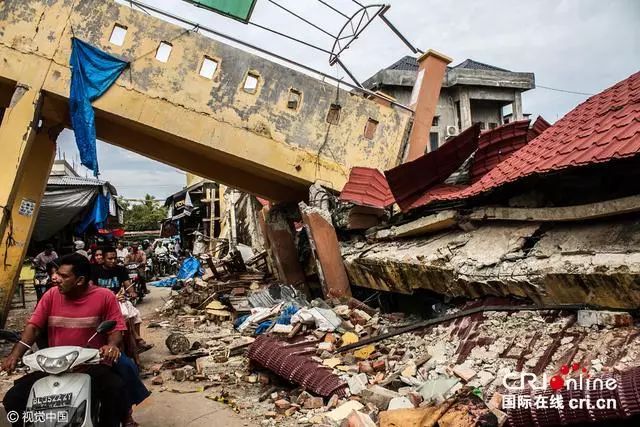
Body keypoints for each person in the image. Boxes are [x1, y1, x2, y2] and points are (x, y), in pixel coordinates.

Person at [2, 254, 129, 427]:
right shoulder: (51, 295)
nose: (56, 279)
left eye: (64, 276)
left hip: (90, 366)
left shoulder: (105, 296)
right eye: (57, 274)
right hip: (54, 367)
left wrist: (111, 346)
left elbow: (115, 330)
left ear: (80, 280)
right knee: (13, 399)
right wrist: (15, 354)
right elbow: (34, 327)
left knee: (115, 390)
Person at [91, 247, 152, 353]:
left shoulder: (121, 269)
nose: (113, 261)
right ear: (104, 259)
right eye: (110, 259)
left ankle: (136, 340)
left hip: (119, 299)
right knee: (125, 315)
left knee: (135, 314)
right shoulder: (95, 271)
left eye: (114, 258)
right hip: (102, 302)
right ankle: (137, 339)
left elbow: (127, 284)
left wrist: (132, 292)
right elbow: (91, 288)